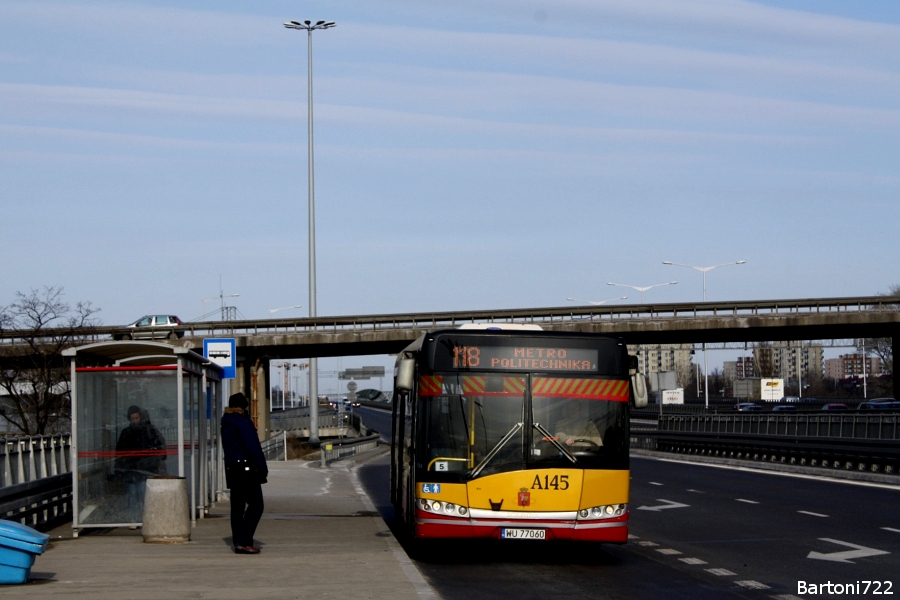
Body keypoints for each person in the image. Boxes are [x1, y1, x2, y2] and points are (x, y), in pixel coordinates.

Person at [221, 392, 268, 555]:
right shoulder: (243, 422)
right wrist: (263, 469)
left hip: (233, 469)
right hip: (246, 470)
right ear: (243, 406)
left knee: (237, 508)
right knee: (256, 505)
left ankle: (238, 541)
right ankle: (244, 541)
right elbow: (253, 448)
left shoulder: (225, 423)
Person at [115, 405, 167, 523]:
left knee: (143, 495)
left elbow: (159, 446)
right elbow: (120, 451)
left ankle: (144, 518)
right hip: (132, 468)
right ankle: (134, 519)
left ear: (140, 417)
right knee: (132, 495)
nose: (134, 421)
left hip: (144, 468)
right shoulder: (127, 432)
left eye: (136, 418)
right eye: (132, 419)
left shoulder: (148, 431)